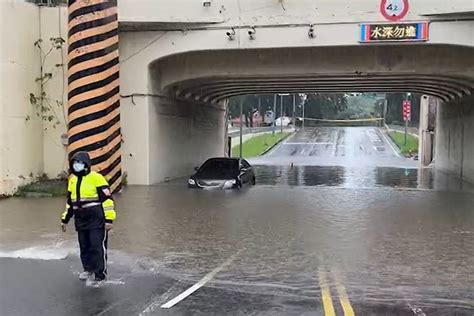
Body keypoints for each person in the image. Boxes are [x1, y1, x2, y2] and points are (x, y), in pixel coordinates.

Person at [60, 151, 116, 287]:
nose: (76, 165)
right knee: (84, 245)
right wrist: (65, 219)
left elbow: (107, 200)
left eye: (79, 162)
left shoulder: (96, 178)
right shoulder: (72, 180)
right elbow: (70, 202)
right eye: (74, 163)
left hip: (96, 218)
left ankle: (100, 274)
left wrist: (109, 220)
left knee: (97, 246)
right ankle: (88, 269)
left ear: (86, 164)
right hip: (81, 218)